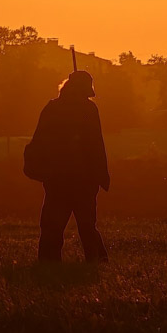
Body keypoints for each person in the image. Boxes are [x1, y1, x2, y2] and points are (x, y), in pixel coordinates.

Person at [24, 69, 110, 262]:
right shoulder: (89, 110)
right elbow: (97, 145)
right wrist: (101, 175)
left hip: (58, 179)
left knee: (53, 226)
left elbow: (39, 141)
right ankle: (97, 262)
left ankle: (49, 264)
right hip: (83, 180)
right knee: (87, 225)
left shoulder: (53, 109)